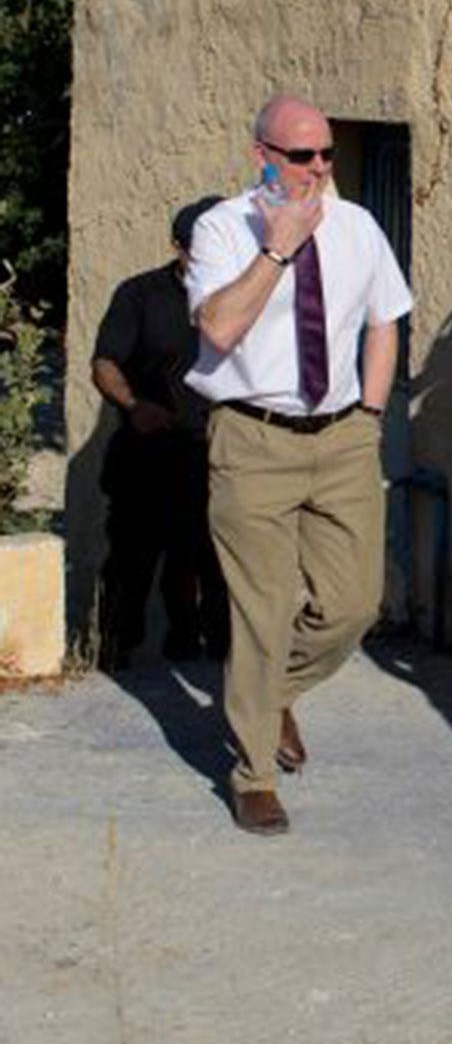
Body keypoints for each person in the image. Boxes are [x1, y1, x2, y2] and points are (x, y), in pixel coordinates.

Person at [185, 95, 413, 837]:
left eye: (326, 155)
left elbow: (386, 319)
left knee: (353, 605)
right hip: (254, 439)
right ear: (263, 155)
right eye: (301, 156)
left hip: (342, 436)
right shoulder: (224, 229)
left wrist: (373, 415)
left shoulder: (358, 226)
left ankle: (267, 692)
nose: (318, 168)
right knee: (262, 610)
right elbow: (218, 327)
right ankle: (252, 772)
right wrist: (276, 250)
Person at [91, 197, 230, 667]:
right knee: (133, 559)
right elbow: (105, 361)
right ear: (178, 247)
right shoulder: (139, 295)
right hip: (148, 453)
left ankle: (204, 652)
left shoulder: (243, 296)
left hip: (217, 455)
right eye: (202, 250)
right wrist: (133, 405)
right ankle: (115, 649)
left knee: (213, 564)